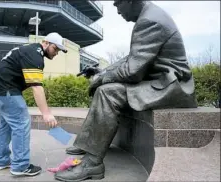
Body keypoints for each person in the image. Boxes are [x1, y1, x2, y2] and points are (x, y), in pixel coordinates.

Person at [54, 0, 198, 181]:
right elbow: (132, 58)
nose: (117, 10)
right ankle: (88, 144)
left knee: (107, 93)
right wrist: (103, 72)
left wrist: (101, 80)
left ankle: (93, 164)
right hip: (163, 80)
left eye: (117, 4)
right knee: (105, 88)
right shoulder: (149, 15)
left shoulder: (150, 20)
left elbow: (133, 71)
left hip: (172, 86)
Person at [0, 32, 67, 176]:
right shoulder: (35, 55)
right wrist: (46, 114)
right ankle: (20, 166)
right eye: (55, 49)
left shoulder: (29, 50)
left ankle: (1, 160)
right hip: (6, 89)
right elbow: (36, 87)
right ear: (45, 43)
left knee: (5, 125)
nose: (56, 53)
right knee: (21, 123)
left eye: (59, 50)